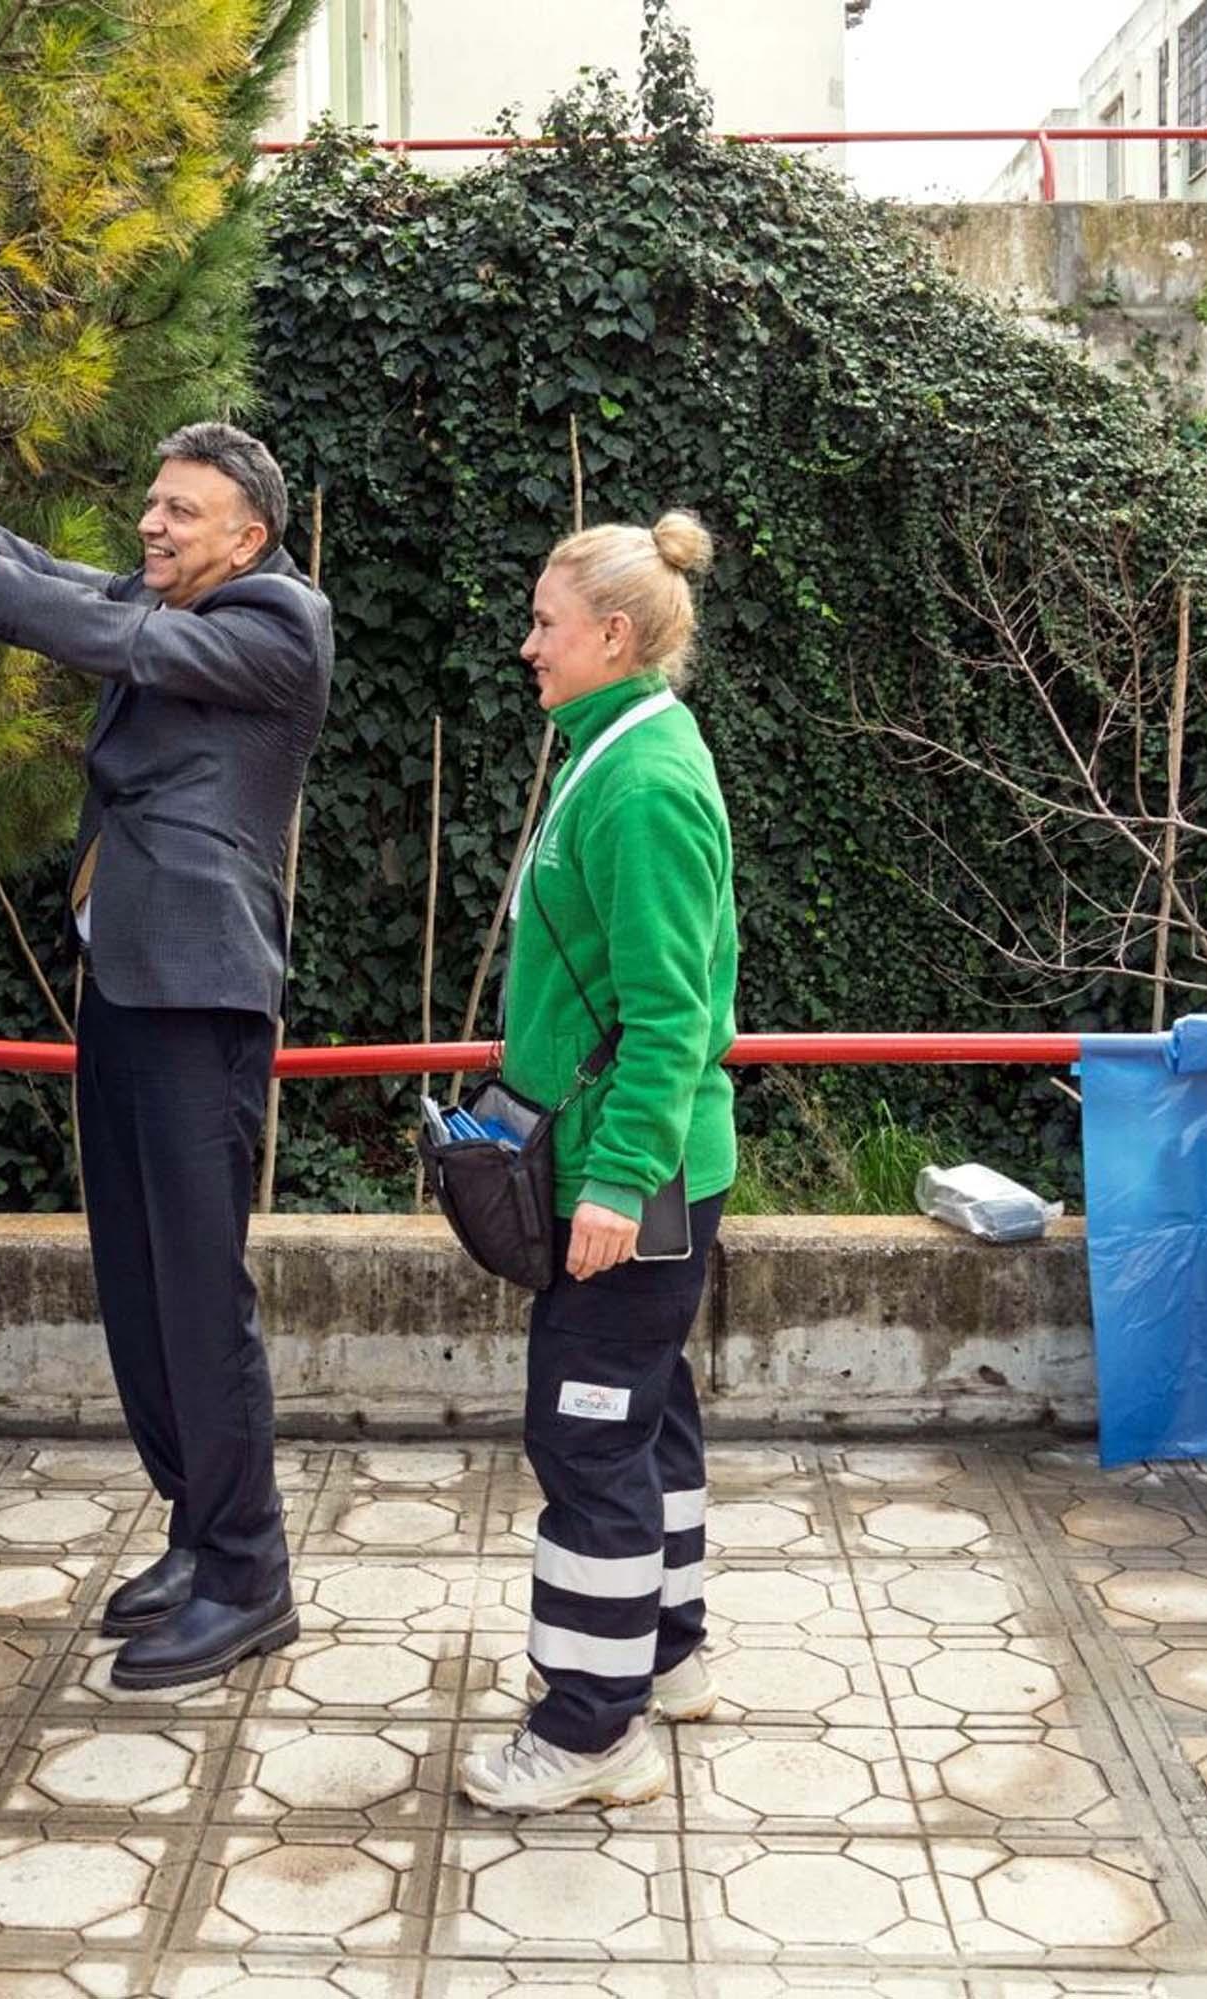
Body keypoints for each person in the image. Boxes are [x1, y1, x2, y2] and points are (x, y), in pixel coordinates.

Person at [0, 424, 332, 1689]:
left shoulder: (279, 620)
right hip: (129, 985)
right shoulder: (173, 597)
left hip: (200, 990)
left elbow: (109, 635)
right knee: (138, 1285)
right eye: (152, 502)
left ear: (248, 536)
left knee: (198, 1291)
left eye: (181, 512)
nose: (152, 525)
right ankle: (198, 1529)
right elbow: (45, 570)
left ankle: (250, 1573)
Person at [457, 510, 740, 1814]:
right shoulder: (617, 751)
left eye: (547, 623)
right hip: (629, 1162)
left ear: (614, 635)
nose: (529, 645)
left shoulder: (643, 782)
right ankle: (663, 1656)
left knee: (585, 1437)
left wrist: (618, 1182)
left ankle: (589, 1730)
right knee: (644, 1412)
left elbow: (672, 1015)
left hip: (634, 1174)